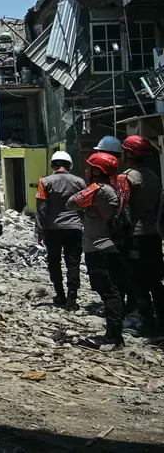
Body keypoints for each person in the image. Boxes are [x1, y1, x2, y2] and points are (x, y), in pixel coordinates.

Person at [68, 152, 125, 349]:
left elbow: (71, 202)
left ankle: (114, 336)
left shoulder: (99, 189)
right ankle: (114, 333)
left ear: (97, 171)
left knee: (109, 292)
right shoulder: (110, 189)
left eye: (90, 168)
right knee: (112, 291)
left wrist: (88, 189)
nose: (86, 171)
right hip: (106, 247)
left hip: (99, 248)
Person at [119, 135, 163, 334]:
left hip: (135, 237)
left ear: (128, 153)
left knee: (137, 282)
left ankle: (147, 323)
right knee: (155, 281)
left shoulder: (125, 177)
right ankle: (162, 321)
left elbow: (122, 209)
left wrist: (121, 236)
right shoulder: (154, 176)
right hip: (154, 235)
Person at [35, 151, 85, 311]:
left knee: (54, 262)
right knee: (73, 263)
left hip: (53, 229)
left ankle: (60, 294)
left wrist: (40, 230)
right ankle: (72, 298)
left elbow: (41, 208)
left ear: (53, 165)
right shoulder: (80, 182)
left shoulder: (45, 181)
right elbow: (84, 206)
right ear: (69, 165)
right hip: (74, 228)